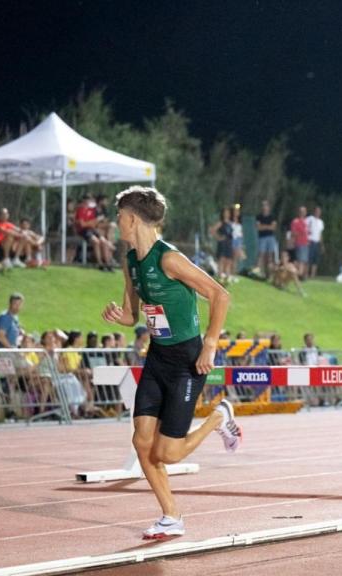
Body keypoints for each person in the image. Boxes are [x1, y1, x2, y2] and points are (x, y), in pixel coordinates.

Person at [101, 185, 241, 539]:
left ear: (132, 219)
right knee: (141, 441)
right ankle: (171, 516)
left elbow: (219, 295)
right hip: (158, 357)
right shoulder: (130, 261)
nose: (116, 223)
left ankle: (219, 417)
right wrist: (118, 316)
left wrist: (210, 345)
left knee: (169, 453)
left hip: (187, 362)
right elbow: (133, 314)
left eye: (119, 217)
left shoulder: (169, 259)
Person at [256, 199, 279, 277]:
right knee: (261, 254)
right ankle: (259, 272)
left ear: (268, 207)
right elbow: (259, 228)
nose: (264, 207)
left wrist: (264, 226)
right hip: (262, 238)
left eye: (266, 205)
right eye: (263, 205)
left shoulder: (272, 217)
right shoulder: (259, 217)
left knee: (270, 256)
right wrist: (268, 226)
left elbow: (273, 227)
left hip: (271, 238)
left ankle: (269, 273)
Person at [290, 206, 310, 280]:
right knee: (300, 261)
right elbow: (293, 233)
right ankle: (297, 275)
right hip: (299, 243)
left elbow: (308, 232)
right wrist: (301, 233)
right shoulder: (295, 221)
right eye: (301, 211)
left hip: (306, 243)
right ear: (299, 212)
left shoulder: (306, 221)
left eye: (304, 211)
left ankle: (301, 276)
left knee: (304, 261)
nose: (303, 213)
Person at [305, 205, 324, 278]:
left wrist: (322, 244)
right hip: (310, 241)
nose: (318, 213)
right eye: (316, 211)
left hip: (317, 242)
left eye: (319, 212)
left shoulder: (321, 222)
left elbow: (320, 234)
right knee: (309, 259)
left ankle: (313, 275)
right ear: (314, 211)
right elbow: (305, 228)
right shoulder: (309, 219)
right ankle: (306, 274)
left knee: (315, 260)